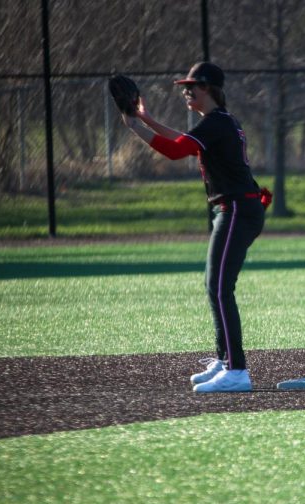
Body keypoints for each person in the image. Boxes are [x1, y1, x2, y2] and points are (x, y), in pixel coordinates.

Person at [122, 62, 269, 393]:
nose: (187, 91)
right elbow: (183, 140)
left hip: (235, 210)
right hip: (236, 209)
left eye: (194, 86)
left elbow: (175, 152)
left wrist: (133, 126)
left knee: (219, 288)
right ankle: (226, 360)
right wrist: (144, 119)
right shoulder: (216, 123)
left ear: (211, 90)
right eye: (185, 86)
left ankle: (237, 371)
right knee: (214, 285)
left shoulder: (216, 123)